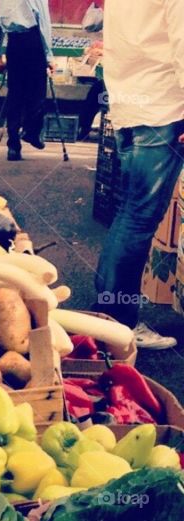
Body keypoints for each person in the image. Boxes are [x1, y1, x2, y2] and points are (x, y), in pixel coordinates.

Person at [95, 0, 184, 349]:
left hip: (131, 107)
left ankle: (107, 318)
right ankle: (119, 323)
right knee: (138, 219)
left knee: (128, 214)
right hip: (163, 109)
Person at [0, 0, 54, 161]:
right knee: (38, 91)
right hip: (33, 43)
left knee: (15, 94)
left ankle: (13, 145)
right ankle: (31, 131)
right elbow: (43, 23)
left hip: (14, 44)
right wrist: (48, 56)